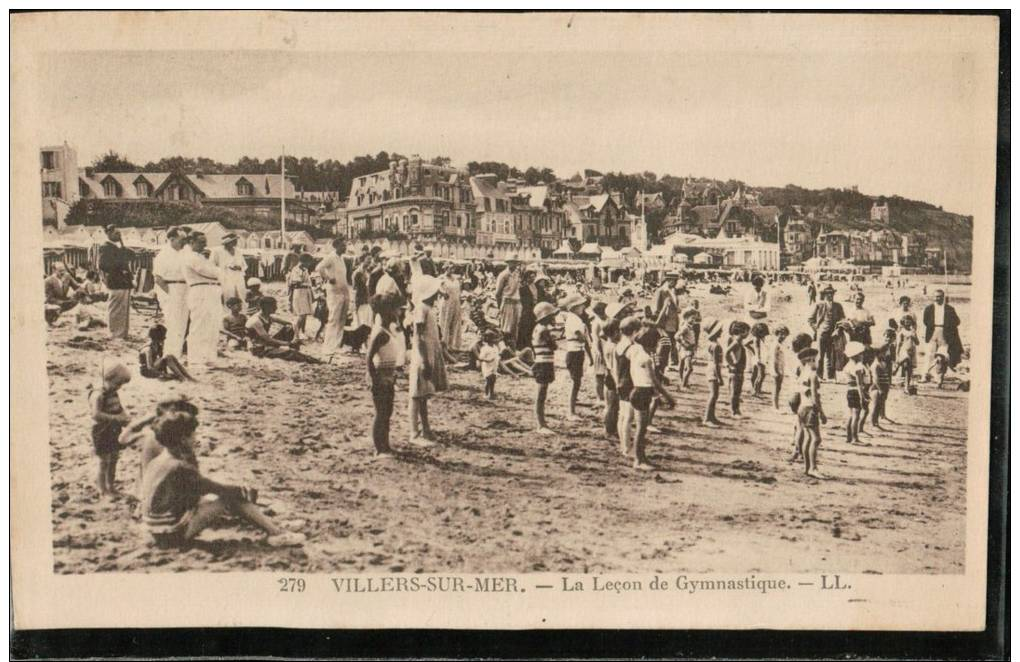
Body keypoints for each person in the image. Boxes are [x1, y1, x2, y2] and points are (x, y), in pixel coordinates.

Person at [140, 408, 305, 548]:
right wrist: (242, 491)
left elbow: (193, 491)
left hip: (154, 529)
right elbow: (215, 489)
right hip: (169, 536)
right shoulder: (180, 467)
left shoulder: (160, 460)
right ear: (183, 439)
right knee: (231, 498)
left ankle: (269, 523)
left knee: (224, 495)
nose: (195, 439)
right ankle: (276, 533)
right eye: (193, 435)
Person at [408, 275, 448, 447]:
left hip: (429, 353)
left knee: (423, 394)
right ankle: (414, 432)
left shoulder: (428, 308)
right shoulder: (421, 309)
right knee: (416, 395)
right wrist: (424, 360)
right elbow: (418, 337)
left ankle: (426, 428)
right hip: (421, 355)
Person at [629, 326, 675, 471]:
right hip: (642, 392)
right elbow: (654, 381)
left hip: (637, 390)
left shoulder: (636, 351)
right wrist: (667, 396)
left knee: (641, 428)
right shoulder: (646, 358)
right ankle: (638, 460)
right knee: (641, 430)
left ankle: (641, 457)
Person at [365, 292, 404, 458]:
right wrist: (373, 378)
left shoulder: (389, 330)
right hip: (380, 376)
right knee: (381, 413)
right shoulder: (380, 333)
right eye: (397, 309)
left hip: (388, 376)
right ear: (389, 311)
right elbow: (369, 357)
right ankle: (379, 449)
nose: (399, 312)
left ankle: (385, 445)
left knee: (387, 412)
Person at [88, 362, 132, 496]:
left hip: (114, 429)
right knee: (104, 461)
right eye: (117, 384)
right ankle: (102, 488)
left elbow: (119, 408)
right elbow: (96, 415)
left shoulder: (113, 392)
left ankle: (111, 486)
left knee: (114, 459)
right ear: (107, 378)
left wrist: (125, 417)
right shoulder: (98, 395)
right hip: (102, 430)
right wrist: (116, 418)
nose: (118, 388)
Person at [181, 232, 222, 369]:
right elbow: (208, 272)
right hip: (200, 291)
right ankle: (195, 360)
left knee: (213, 326)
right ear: (191, 242)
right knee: (199, 326)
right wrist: (219, 272)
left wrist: (218, 272)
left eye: (205, 241)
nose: (204, 244)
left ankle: (209, 357)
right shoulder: (190, 256)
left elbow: (215, 272)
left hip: (212, 291)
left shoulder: (202, 257)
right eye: (201, 242)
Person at [152, 228, 190, 358]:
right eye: (182, 240)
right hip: (170, 290)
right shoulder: (163, 255)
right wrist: (172, 295)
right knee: (173, 324)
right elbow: (158, 279)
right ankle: (169, 354)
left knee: (182, 325)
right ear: (172, 239)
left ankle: (176, 354)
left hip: (184, 290)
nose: (184, 243)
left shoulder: (183, 254)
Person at [246, 296, 319, 363]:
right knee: (291, 353)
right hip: (259, 349)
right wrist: (288, 343)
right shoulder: (256, 320)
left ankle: (295, 350)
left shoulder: (267, 316)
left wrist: (296, 336)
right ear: (265, 307)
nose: (276, 308)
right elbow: (268, 339)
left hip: (266, 344)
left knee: (289, 328)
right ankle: (304, 356)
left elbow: (291, 323)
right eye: (273, 306)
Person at [316, 237, 352, 360]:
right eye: (343, 246)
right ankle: (328, 348)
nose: (345, 247)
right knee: (333, 319)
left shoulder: (341, 258)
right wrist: (328, 278)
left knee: (342, 320)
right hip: (334, 292)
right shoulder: (331, 257)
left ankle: (336, 346)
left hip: (344, 291)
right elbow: (319, 267)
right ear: (336, 246)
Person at [97, 225, 135, 339]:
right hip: (116, 281)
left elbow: (132, 255)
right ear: (108, 234)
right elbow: (102, 265)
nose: (119, 235)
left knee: (124, 309)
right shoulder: (105, 247)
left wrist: (122, 244)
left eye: (120, 233)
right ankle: (114, 333)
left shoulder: (118, 247)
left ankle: (122, 333)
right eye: (116, 233)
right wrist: (120, 270)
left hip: (124, 282)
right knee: (115, 308)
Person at [560, 293, 593, 421]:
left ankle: (572, 407)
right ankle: (571, 411)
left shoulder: (575, 318)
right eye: (581, 306)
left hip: (576, 351)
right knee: (575, 382)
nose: (583, 308)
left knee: (577, 381)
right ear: (574, 307)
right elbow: (579, 335)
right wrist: (586, 339)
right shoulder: (574, 319)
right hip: (574, 352)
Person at [796, 347, 827, 478]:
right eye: (816, 360)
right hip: (810, 408)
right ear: (811, 360)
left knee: (808, 438)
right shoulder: (813, 375)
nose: (818, 363)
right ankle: (813, 468)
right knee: (816, 439)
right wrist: (821, 412)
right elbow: (814, 396)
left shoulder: (803, 373)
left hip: (802, 407)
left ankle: (807, 467)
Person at [922, 289, 963, 378]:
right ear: (933, 297)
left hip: (945, 333)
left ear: (943, 297)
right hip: (932, 332)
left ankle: (939, 376)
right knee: (929, 353)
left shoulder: (949, 309)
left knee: (943, 354)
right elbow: (925, 321)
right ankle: (925, 374)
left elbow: (957, 321)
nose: (938, 298)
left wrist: (948, 327)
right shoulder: (929, 308)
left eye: (940, 296)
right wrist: (932, 326)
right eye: (936, 296)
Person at [531, 301, 559, 435]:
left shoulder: (539, 328)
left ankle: (541, 422)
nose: (554, 318)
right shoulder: (544, 330)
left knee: (541, 393)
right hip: (543, 363)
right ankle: (541, 424)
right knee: (541, 394)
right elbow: (554, 346)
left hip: (542, 361)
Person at [615, 315, 642, 452]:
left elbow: (615, 367)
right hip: (630, 382)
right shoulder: (632, 348)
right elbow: (635, 369)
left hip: (620, 381)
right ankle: (626, 447)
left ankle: (623, 444)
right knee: (629, 417)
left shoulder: (619, 345)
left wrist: (616, 381)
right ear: (634, 331)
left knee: (622, 415)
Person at [808, 284, 845, 380]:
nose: (830, 295)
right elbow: (810, 319)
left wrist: (838, 330)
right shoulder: (819, 305)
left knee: (831, 355)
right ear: (824, 294)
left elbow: (842, 319)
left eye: (831, 293)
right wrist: (817, 329)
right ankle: (819, 376)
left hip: (833, 335)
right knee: (820, 355)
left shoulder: (838, 306)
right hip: (822, 334)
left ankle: (830, 376)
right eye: (828, 293)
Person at [652, 272, 680, 374]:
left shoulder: (673, 291)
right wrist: (659, 321)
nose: (675, 283)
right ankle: (660, 366)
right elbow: (656, 309)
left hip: (673, 322)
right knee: (663, 344)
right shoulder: (660, 291)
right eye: (674, 281)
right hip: (664, 322)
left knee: (671, 343)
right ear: (669, 280)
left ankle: (669, 364)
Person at [842, 341, 868, 446]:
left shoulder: (848, 365)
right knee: (856, 415)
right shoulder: (858, 367)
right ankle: (855, 438)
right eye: (861, 354)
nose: (862, 355)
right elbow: (859, 384)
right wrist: (863, 397)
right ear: (856, 355)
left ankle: (848, 437)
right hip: (856, 391)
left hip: (849, 390)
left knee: (851, 414)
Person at [601, 317, 622, 442]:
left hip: (609, 376)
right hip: (613, 378)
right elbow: (614, 368)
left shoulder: (608, 344)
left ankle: (610, 429)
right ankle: (609, 430)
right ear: (614, 332)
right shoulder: (613, 347)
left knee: (611, 406)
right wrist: (618, 382)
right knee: (612, 406)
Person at [210, 233, 247, 304]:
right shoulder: (217, 251)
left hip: (238, 277)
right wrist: (223, 269)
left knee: (241, 296)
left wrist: (239, 267)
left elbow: (244, 265)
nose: (236, 242)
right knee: (228, 296)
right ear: (227, 242)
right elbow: (211, 265)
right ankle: (228, 313)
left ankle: (241, 312)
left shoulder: (238, 251)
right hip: (225, 278)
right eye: (234, 240)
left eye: (236, 240)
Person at [494, 261, 523, 349]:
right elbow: (497, 293)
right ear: (508, 263)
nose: (515, 265)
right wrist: (500, 306)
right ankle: (504, 349)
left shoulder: (517, 274)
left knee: (516, 328)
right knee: (506, 328)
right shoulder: (503, 275)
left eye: (516, 263)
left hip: (517, 303)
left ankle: (512, 349)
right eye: (512, 263)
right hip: (507, 302)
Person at [870, 328, 896, 427]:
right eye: (887, 336)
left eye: (890, 337)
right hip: (881, 369)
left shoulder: (892, 346)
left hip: (887, 370)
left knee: (885, 393)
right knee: (880, 393)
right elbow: (876, 356)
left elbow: (892, 359)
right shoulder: (883, 346)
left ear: (894, 338)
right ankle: (880, 415)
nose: (888, 338)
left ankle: (882, 414)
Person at [287, 253, 315, 341]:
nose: (309, 264)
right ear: (304, 261)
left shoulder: (305, 270)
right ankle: (296, 333)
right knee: (301, 315)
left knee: (305, 313)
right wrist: (307, 284)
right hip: (299, 292)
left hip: (305, 292)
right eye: (308, 262)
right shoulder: (296, 269)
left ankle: (302, 331)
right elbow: (296, 282)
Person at [702, 318, 724, 427]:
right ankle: (707, 418)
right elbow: (715, 363)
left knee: (715, 394)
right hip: (713, 370)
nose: (721, 331)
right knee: (713, 394)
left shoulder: (713, 343)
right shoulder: (715, 345)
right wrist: (719, 377)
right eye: (719, 330)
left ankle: (712, 416)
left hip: (712, 369)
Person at [725, 320, 749, 418]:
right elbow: (727, 352)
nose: (748, 334)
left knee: (737, 391)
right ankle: (734, 411)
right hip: (735, 370)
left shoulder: (739, 341)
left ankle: (737, 410)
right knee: (735, 392)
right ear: (742, 331)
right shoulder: (736, 342)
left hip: (739, 370)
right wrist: (731, 363)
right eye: (747, 331)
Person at [438, 263, 463, 352]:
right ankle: (444, 344)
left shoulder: (455, 279)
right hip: (447, 302)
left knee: (455, 322)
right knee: (445, 322)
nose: (451, 270)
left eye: (452, 268)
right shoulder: (442, 278)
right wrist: (442, 293)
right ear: (445, 268)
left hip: (456, 302)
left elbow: (459, 290)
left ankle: (453, 345)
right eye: (449, 268)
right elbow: (436, 288)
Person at [589, 301, 609, 402]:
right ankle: (599, 397)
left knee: (606, 373)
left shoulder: (607, 319)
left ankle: (604, 395)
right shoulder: (596, 323)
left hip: (606, 348)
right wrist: (599, 352)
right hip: (599, 350)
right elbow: (596, 339)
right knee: (599, 375)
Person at [676, 307, 700, 389]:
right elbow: (677, 336)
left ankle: (683, 381)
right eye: (692, 318)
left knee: (683, 365)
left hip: (688, 349)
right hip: (686, 349)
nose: (694, 320)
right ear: (686, 318)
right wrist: (684, 344)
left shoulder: (690, 326)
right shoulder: (685, 327)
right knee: (689, 368)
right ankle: (683, 383)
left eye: (695, 318)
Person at [896, 314, 919, 394]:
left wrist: (914, 337)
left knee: (909, 370)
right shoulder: (901, 332)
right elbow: (898, 344)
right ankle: (897, 366)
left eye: (909, 321)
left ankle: (906, 386)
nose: (908, 323)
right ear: (903, 322)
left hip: (912, 351)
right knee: (906, 363)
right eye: (906, 321)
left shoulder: (913, 331)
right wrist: (897, 354)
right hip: (904, 350)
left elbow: (917, 343)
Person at [769, 324, 789, 410]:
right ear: (777, 334)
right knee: (776, 387)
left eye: (785, 334)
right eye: (781, 334)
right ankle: (775, 407)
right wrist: (775, 370)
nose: (783, 336)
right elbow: (773, 358)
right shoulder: (775, 344)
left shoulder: (780, 344)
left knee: (778, 387)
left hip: (780, 367)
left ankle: (776, 406)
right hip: (776, 368)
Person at [748, 321, 770, 397]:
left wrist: (753, 351)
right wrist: (759, 357)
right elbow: (757, 349)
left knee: (755, 374)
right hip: (759, 358)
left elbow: (746, 344)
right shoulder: (757, 339)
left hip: (756, 357)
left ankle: (755, 389)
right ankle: (755, 391)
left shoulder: (755, 338)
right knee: (761, 375)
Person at [478, 329, 501, 400]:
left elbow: (497, 357)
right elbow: (480, 358)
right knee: (488, 380)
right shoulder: (485, 348)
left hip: (494, 366)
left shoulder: (495, 347)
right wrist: (487, 360)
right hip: (487, 367)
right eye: (492, 338)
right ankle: (486, 393)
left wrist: (498, 364)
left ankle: (491, 393)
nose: (493, 340)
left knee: (493, 380)